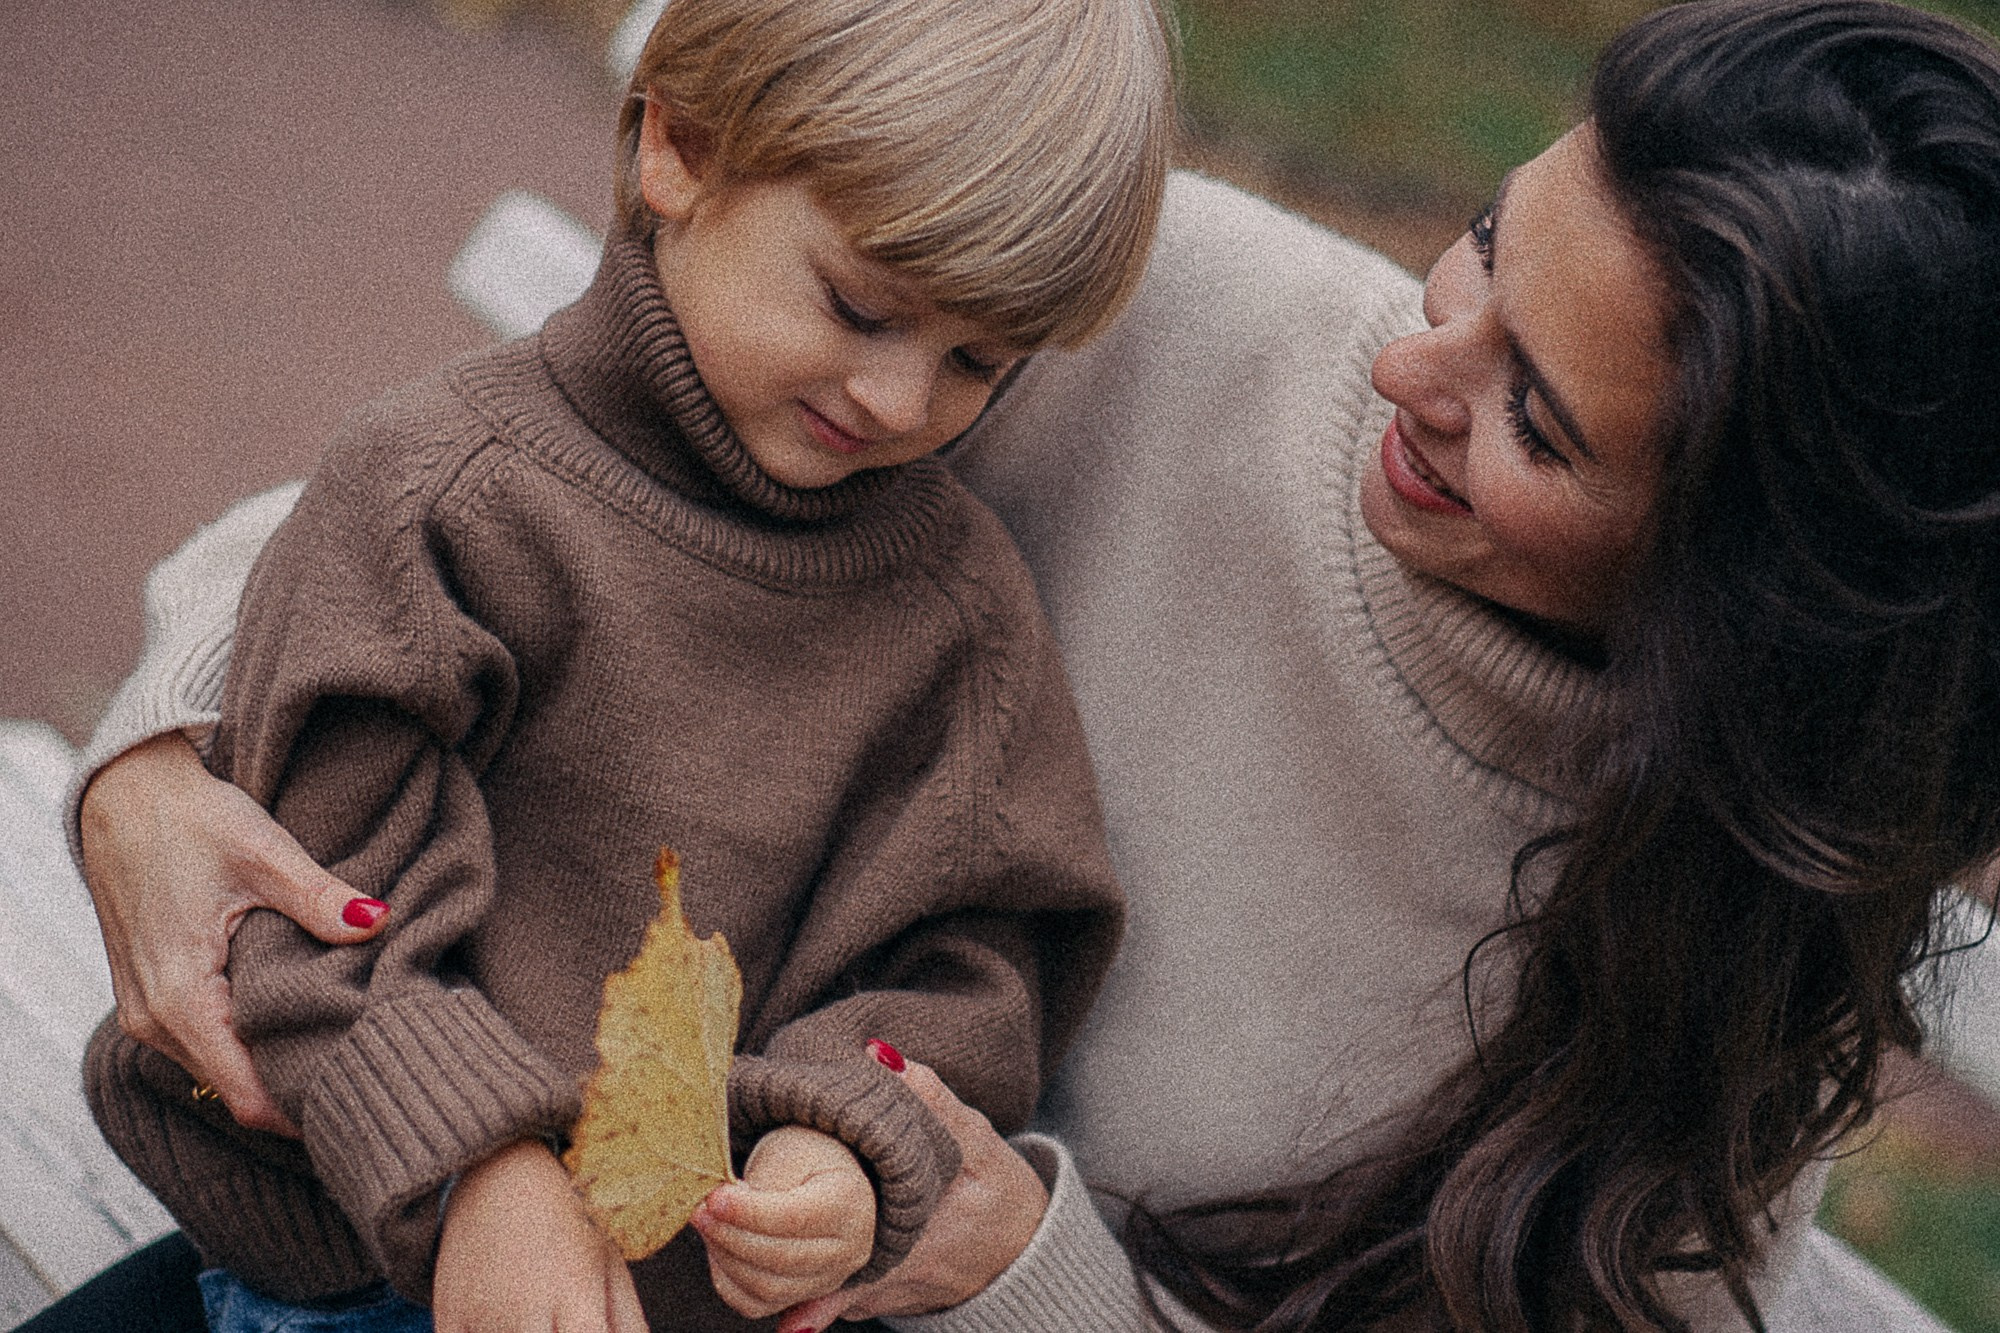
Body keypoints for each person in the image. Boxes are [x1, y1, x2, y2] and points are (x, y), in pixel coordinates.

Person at [44, 0, 2000, 1328]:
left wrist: (1008, 1259)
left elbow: (966, 959)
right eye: (1487, 240)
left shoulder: (1721, 983)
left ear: (1740, 606)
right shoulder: (1128, 307)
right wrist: (156, 770)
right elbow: (513, 487)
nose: (1406, 362)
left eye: (1539, 424)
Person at [70, 0, 1174, 1330]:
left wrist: (846, 1133)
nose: (897, 399)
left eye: (977, 361)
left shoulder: (960, 620)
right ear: (683, 150)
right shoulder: (443, 495)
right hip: (349, 1251)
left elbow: (971, 954)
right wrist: (478, 1163)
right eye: (861, 306)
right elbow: (312, 896)